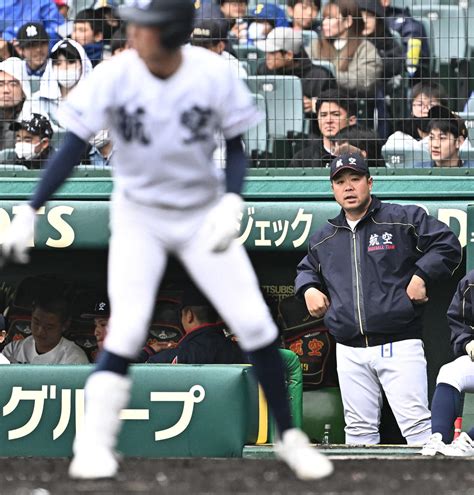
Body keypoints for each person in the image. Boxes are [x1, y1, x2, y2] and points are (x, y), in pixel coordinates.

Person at [0, 0, 333, 481]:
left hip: (200, 211)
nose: (135, 34)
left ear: (173, 32)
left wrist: (231, 201)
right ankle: (95, 444)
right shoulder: (116, 75)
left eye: (146, 27)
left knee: (255, 325)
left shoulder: (211, 74)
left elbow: (237, 149)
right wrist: (32, 206)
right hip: (140, 213)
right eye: (135, 25)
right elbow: (71, 146)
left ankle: (291, 439)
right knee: (128, 327)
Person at [295, 152, 462, 445]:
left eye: (355, 179)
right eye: (340, 181)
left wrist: (422, 275)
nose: (348, 187)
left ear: (369, 183)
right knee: (359, 434)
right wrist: (308, 288)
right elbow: (306, 269)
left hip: (398, 342)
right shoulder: (324, 237)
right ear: (332, 189)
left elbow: (448, 244)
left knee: (418, 429)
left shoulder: (401, 219)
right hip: (349, 349)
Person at [421, 269, 474, 456]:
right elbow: (459, 322)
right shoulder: (472, 281)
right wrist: (467, 342)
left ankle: (470, 441)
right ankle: (439, 439)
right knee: (450, 372)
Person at [148, 285, 246, 364]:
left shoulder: (167, 359)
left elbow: (140, 376)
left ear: (189, 316)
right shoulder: (242, 353)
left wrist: (149, 350)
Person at [256, 27, 335, 116]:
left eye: (272, 53)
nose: (267, 57)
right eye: (266, 52)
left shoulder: (320, 77)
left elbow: (336, 108)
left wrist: (316, 106)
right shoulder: (263, 70)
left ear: (289, 55)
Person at [308, 0, 382, 92]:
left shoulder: (366, 49)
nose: (324, 22)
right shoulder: (315, 45)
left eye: (330, 18)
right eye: (324, 18)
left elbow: (365, 81)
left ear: (348, 21)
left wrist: (327, 76)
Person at [1, 289, 89, 364]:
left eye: (49, 327)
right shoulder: (13, 350)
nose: (40, 331)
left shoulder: (74, 359)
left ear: (64, 326)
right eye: (36, 322)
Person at [33, 38, 92, 132]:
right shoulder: (38, 100)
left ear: (83, 65)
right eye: (58, 63)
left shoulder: (96, 101)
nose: (64, 68)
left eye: (71, 62)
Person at [290, 88, 357, 167]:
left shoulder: (363, 155)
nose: (328, 120)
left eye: (335, 114)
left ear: (351, 120)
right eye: (323, 115)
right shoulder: (302, 159)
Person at [0, 57, 32, 151]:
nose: (6, 90)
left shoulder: (33, 115)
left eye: (13, 84)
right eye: (0, 84)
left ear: (23, 91)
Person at [16, 22, 51, 94]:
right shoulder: (14, 72)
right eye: (32, 45)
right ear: (20, 50)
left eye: (42, 43)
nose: (38, 49)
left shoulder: (57, 68)